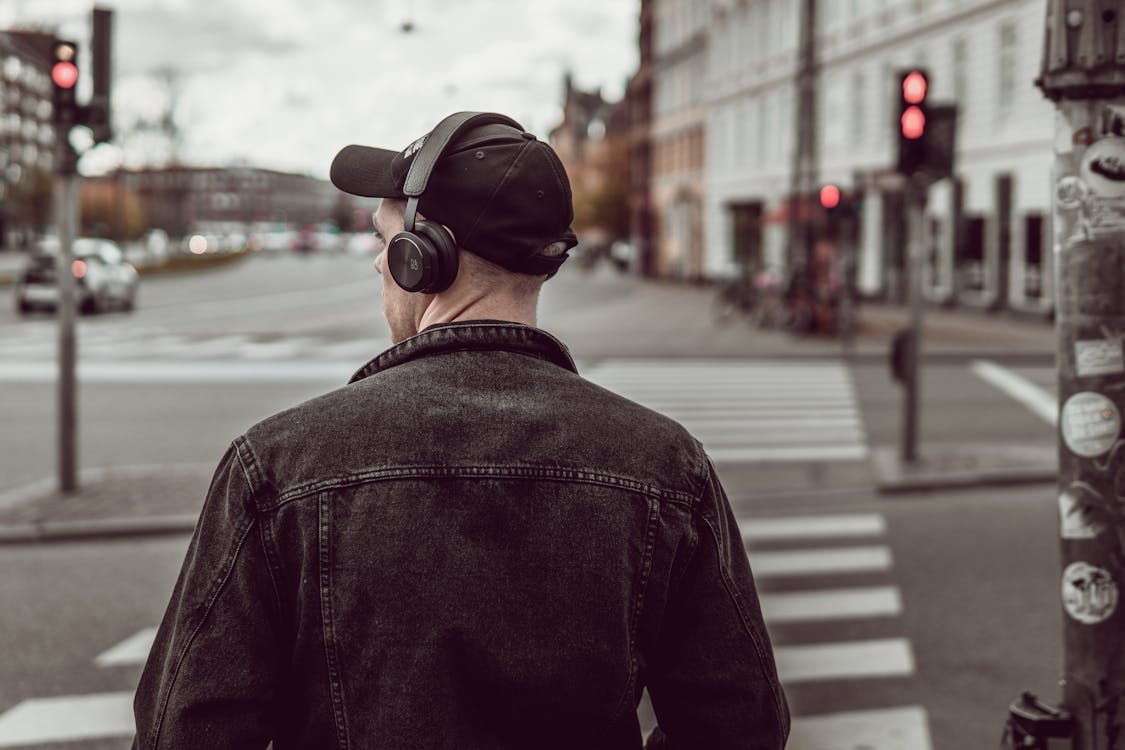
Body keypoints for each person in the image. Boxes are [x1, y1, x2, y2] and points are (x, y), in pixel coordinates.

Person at [132, 112, 789, 749]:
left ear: (423, 257)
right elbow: (740, 726)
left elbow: (184, 732)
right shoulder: (665, 466)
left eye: (384, 240)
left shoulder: (276, 467)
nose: (376, 265)